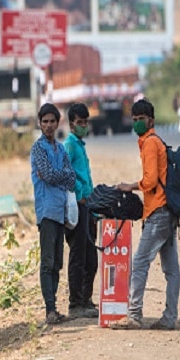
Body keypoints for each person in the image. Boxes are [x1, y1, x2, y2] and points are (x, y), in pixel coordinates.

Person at [109, 99, 180, 330]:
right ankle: (169, 318)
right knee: (171, 269)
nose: (138, 123)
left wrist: (130, 186)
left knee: (139, 262)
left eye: (142, 119)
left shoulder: (150, 143)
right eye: (135, 119)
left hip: (158, 212)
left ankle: (134, 314)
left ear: (151, 120)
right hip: (168, 211)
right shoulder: (156, 141)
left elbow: (150, 181)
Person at [30, 103, 77, 325]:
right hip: (47, 211)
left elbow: (71, 178)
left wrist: (57, 174)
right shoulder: (38, 149)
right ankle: (49, 309)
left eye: (52, 121)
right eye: (45, 121)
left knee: (57, 262)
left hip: (61, 211)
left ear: (58, 123)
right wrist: (61, 174)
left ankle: (54, 308)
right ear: (40, 123)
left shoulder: (60, 149)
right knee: (47, 262)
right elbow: (48, 176)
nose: (49, 125)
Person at [64, 103, 99, 319]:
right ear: (71, 124)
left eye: (85, 122)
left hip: (87, 205)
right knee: (78, 256)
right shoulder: (69, 145)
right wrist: (80, 194)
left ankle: (87, 300)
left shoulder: (80, 145)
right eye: (80, 123)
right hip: (76, 205)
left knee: (90, 258)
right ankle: (75, 304)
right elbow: (67, 174)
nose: (83, 126)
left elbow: (87, 177)